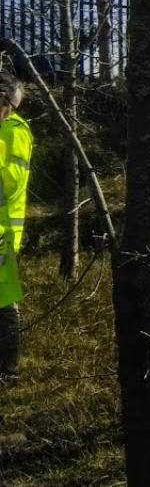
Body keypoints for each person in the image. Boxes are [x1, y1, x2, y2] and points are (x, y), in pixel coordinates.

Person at [0, 74, 32, 381]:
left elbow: (9, 184)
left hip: (3, 231)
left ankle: (9, 369)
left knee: (3, 298)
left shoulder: (15, 132)